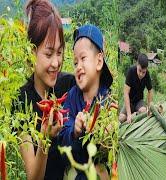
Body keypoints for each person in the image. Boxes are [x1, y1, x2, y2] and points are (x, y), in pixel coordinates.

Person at [14, 0, 75, 179]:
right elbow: (33, 177)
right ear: (31, 53)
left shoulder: (68, 85)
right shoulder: (22, 101)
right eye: (48, 54)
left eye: (59, 52)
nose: (56, 63)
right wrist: (44, 140)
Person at [60, 24, 113, 179]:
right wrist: (74, 131)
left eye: (83, 58)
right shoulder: (71, 97)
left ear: (98, 62)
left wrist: (105, 135)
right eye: (75, 62)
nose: (78, 67)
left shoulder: (108, 101)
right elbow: (63, 133)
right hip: (75, 168)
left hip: (98, 169)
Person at [119, 54, 153, 123]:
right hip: (130, 102)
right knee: (121, 118)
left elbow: (150, 91)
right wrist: (128, 114)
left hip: (139, 101)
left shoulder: (147, 75)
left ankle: (135, 114)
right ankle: (132, 114)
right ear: (137, 64)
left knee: (143, 111)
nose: (141, 74)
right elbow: (126, 93)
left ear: (146, 69)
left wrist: (149, 107)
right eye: (139, 70)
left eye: (143, 72)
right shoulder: (131, 71)